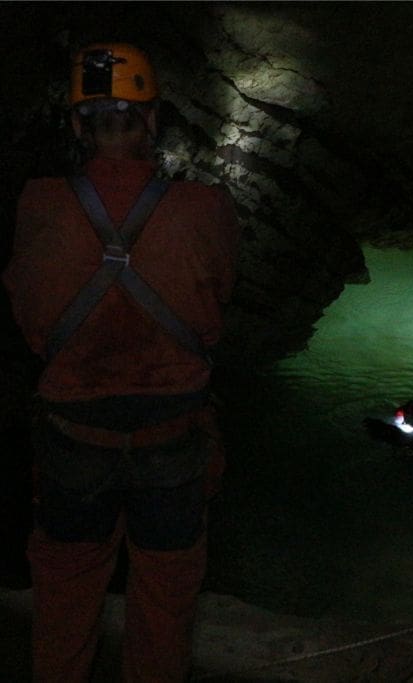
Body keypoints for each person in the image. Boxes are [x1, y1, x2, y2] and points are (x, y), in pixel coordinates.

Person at [2, 43, 240, 682]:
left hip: (74, 436)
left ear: (78, 125)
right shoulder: (204, 208)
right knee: (165, 590)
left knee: (64, 589)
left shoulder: (38, 203)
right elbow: (216, 305)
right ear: (151, 119)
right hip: (173, 437)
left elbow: (29, 317)